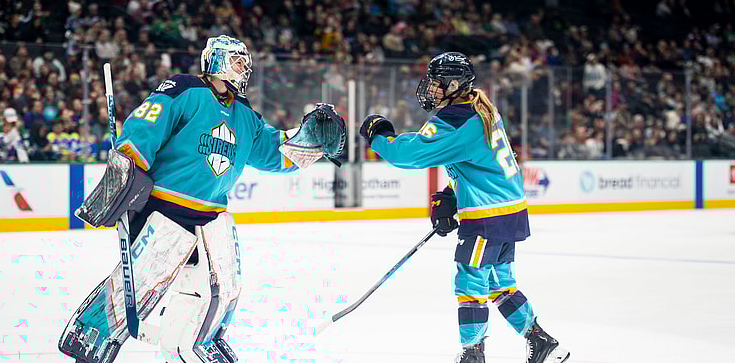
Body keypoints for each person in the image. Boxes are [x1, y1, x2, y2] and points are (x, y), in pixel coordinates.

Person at [59, 35, 342, 363]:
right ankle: (91, 334)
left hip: (212, 216)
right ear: (216, 61)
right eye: (237, 61)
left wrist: (311, 142)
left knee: (223, 288)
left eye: (245, 63)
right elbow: (145, 125)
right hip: (165, 209)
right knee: (141, 283)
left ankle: (201, 343)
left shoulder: (244, 113)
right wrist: (128, 165)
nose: (243, 69)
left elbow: (273, 151)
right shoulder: (185, 89)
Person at [359, 52, 569, 363]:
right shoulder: (479, 108)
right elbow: (479, 165)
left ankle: (473, 354)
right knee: (499, 283)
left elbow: (410, 155)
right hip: (507, 212)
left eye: (436, 83)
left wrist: (379, 137)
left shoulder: (455, 120)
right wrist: (450, 195)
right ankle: (540, 341)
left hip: (486, 217)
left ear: (455, 84)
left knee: (470, 282)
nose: (430, 89)